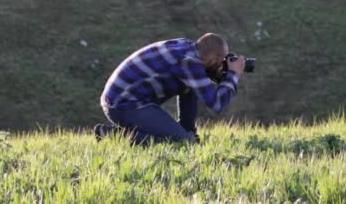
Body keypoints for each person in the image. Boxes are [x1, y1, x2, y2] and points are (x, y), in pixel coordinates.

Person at [94, 33, 246, 144]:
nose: (223, 65)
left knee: (186, 136)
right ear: (213, 59)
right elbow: (217, 103)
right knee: (182, 143)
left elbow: (189, 89)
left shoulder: (187, 48)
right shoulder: (189, 63)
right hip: (123, 106)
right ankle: (111, 134)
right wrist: (233, 74)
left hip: (123, 99)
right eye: (222, 61)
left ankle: (186, 132)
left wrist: (189, 131)